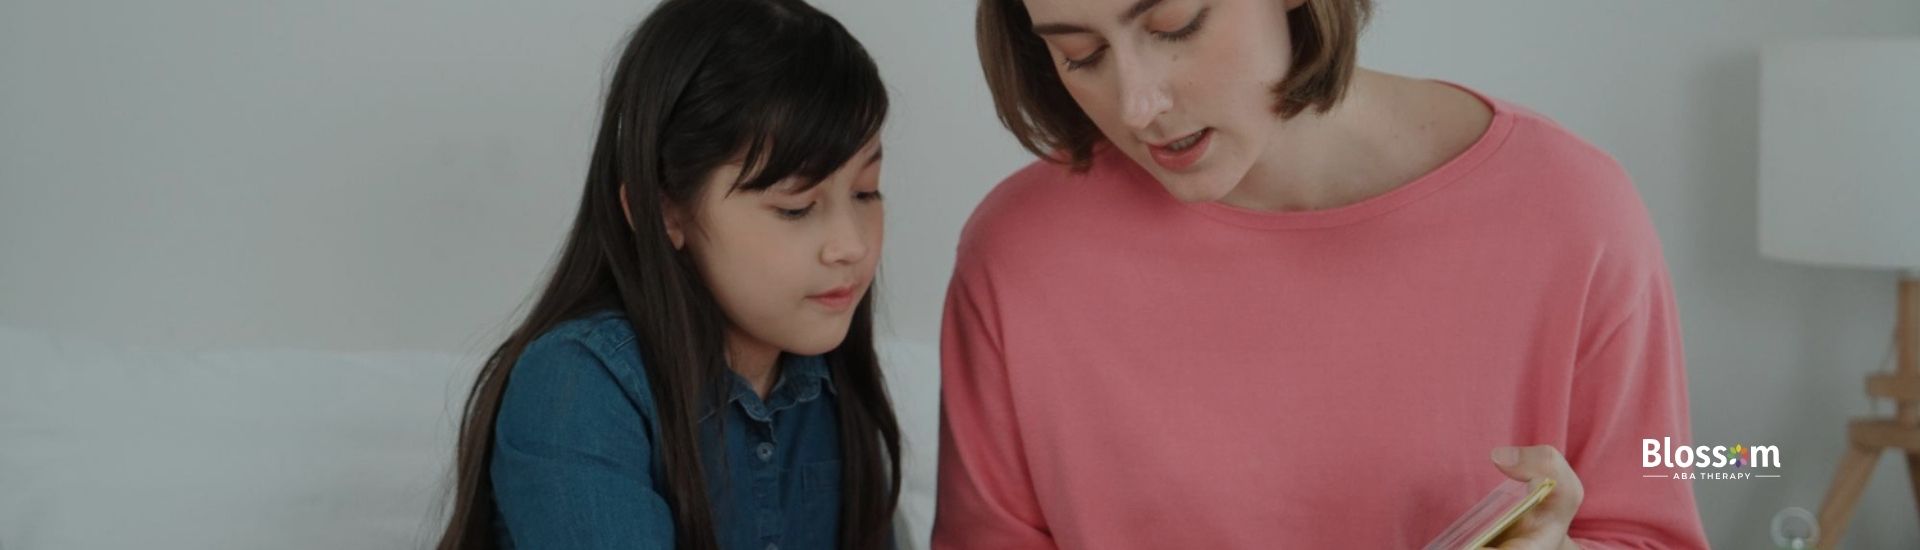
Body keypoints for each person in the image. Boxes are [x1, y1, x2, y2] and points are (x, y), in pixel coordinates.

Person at [933, 0, 1711, 547]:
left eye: (1174, 25)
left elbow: (1653, 523)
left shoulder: (1570, 213)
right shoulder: (1020, 256)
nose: (1139, 105)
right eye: (1081, 54)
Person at [436, 1, 902, 548]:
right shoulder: (576, 388)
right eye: (796, 207)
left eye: (866, 191)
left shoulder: (832, 382)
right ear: (665, 212)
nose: (851, 245)